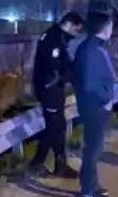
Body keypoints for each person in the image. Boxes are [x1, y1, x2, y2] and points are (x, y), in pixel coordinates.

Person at [29, 11, 84, 178]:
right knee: (54, 126)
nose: (76, 34)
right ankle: (37, 162)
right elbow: (54, 67)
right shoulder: (53, 40)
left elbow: (65, 64)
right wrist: (68, 76)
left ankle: (59, 164)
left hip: (54, 88)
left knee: (58, 126)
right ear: (69, 24)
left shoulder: (58, 37)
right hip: (49, 89)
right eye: (76, 30)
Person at [73, 11, 116, 197]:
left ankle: (92, 185)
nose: (112, 29)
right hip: (94, 106)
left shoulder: (93, 47)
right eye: (110, 26)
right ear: (104, 28)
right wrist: (106, 99)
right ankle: (87, 191)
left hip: (94, 105)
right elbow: (90, 84)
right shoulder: (91, 50)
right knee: (93, 148)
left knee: (94, 147)